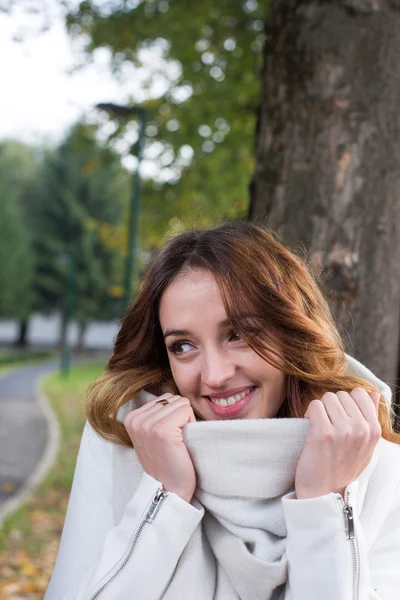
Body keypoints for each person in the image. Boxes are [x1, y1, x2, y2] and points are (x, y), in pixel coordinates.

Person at [44, 222, 400, 600]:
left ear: (292, 333)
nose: (214, 376)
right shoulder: (126, 445)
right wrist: (165, 497)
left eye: (239, 335)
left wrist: (325, 503)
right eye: (182, 346)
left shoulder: (374, 464)